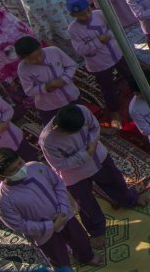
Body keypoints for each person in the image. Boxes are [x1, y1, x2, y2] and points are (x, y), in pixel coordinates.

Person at [40, 103, 144, 245]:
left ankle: (129, 199)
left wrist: (93, 144)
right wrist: (85, 155)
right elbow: (59, 164)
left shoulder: (82, 111)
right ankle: (96, 230)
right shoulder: (47, 140)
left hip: (97, 157)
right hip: (74, 174)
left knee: (115, 181)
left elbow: (94, 127)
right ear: (58, 129)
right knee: (85, 203)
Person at [0, 146, 102, 267]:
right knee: (58, 258)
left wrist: (63, 208)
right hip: (43, 233)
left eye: (20, 163)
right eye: (13, 170)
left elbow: (58, 184)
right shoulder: (2, 201)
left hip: (64, 216)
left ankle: (86, 257)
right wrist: (50, 226)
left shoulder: (36, 168)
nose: (20, 169)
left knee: (80, 240)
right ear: (0, 177)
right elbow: (19, 225)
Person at [15, 37, 80, 124]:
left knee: (81, 121)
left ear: (40, 47)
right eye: (31, 59)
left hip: (72, 96)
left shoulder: (54, 51)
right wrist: (47, 86)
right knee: (60, 130)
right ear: (23, 59)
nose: (38, 59)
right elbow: (29, 91)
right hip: (50, 106)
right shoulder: (23, 68)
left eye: (39, 54)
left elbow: (72, 65)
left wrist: (64, 79)